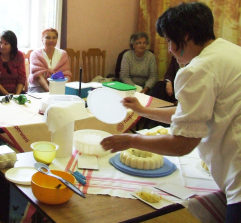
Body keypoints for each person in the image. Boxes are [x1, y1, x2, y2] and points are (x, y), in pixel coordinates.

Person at [101, 2, 241, 222]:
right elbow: (190, 112)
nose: (168, 49)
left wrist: (130, 140)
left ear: (184, 36)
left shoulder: (198, 69)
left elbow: (182, 143)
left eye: (168, 41)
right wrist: (142, 110)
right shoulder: (228, 50)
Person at [28, 28, 72, 93]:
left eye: (54, 38)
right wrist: (50, 90)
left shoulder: (63, 54)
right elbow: (39, 76)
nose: (51, 40)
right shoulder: (35, 54)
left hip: (58, 87)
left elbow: (66, 74)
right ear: (42, 39)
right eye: (48, 37)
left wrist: (61, 89)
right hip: (38, 87)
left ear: (57, 39)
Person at [0, 30, 26, 96]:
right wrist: (8, 95)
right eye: (0, 42)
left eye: (6, 44)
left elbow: (21, 79)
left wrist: (17, 95)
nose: (2, 46)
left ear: (12, 45)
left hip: (15, 91)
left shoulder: (19, 55)